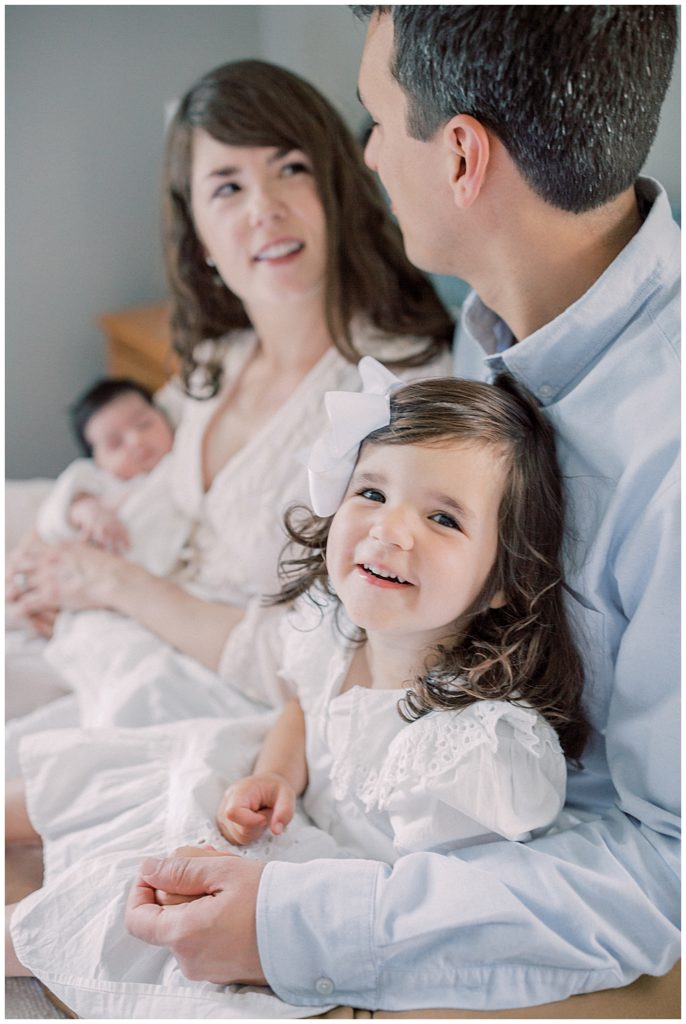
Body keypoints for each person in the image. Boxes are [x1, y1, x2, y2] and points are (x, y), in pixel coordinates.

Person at [123, 5, 680, 1015]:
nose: (367, 152)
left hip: (521, 872)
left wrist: (291, 923)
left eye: (374, 118)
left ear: (461, 156)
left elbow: (666, 870)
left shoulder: (668, 460)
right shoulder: (492, 331)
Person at [7, 363, 589, 1019]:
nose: (390, 530)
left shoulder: (478, 751)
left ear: (503, 577)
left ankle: (32, 935)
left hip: (339, 902)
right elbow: (301, 706)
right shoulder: (334, 629)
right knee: (179, 758)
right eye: (371, 493)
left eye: (442, 518)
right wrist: (279, 772)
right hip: (298, 817)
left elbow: (445, 912)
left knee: (147, 896)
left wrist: (280, 909)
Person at [5, 58, 452, 730]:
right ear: (200, 233)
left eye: (291, 168)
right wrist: (53, 568)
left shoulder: (394, 391)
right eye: (227, 187)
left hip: (223, 706)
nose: (263, 210)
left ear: (335, 186)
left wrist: (111, 584)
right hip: (109, 644)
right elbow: (130, 489)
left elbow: (339, 658)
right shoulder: (215, 361)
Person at [30, 377, 184, 569]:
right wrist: (84, 509)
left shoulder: (182, 458)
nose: (136, 440)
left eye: (144, 424)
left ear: (164, 417)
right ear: (97, 460)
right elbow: (50, 521)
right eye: (115, 443)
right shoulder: (97, 480)